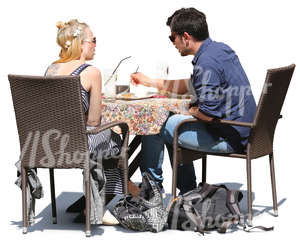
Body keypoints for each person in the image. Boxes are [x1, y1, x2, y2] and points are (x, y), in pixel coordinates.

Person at [131, 8, 257, 194]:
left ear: (186, 37)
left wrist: (190, 111)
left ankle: (152, 190)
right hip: (248, 130)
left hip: (230, 137)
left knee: (156, 124)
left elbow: (208, 114)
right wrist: (150, 81)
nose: (173, 43)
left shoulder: (206, 62)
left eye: (172, 37)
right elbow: (192, 85)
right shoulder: (220, 50)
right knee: (170, 122)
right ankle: (187, 190)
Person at [45, 19, 123, 224]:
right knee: (116, 137)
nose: (96, 45)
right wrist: (113, 126)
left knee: (108, 135)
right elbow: (94, 120)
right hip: (78, 145)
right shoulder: (91, 72)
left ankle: (98, 201)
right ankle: (99, 204)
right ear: (80, 43)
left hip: (44, 145)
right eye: (93, 40)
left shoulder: (51, 69)